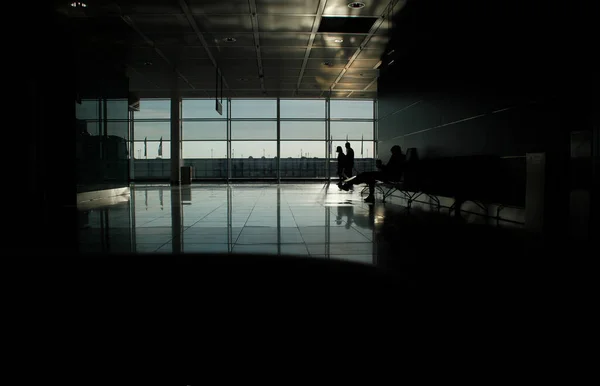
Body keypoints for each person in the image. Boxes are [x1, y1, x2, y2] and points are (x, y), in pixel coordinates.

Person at [340, 145, 406, 203]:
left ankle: (348, 185)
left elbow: (390, 168)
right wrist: (382, 166)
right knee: (368, 177)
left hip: (389, 176)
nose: (392, 153)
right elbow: (392, 168)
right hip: (389, 175)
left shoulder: (395, 157)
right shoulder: (401, 157)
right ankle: (368, 195)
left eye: (392, 152)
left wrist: (381, 166)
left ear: (395, 151)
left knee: (366, 175)